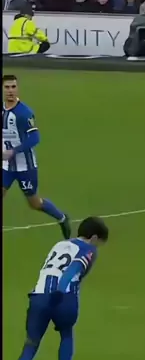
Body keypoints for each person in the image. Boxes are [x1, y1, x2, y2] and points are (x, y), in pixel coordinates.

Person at [9, 217, 109, 360]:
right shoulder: (89, 249)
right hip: (64, 297)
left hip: (39, 297)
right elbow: (73, 269)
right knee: (66, 334)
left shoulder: (60, 245)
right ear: (94, 238)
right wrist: (60, 291)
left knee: (30, 346)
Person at [2, 75, 71, 239]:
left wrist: (13, 151)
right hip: (5, 166)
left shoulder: (24, 113)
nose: (10, 91)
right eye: (7, 87)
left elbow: (35, 138)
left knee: (34, 203)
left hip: (26, 167)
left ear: (17, 89)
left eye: (13, 87)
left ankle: (62, 218)